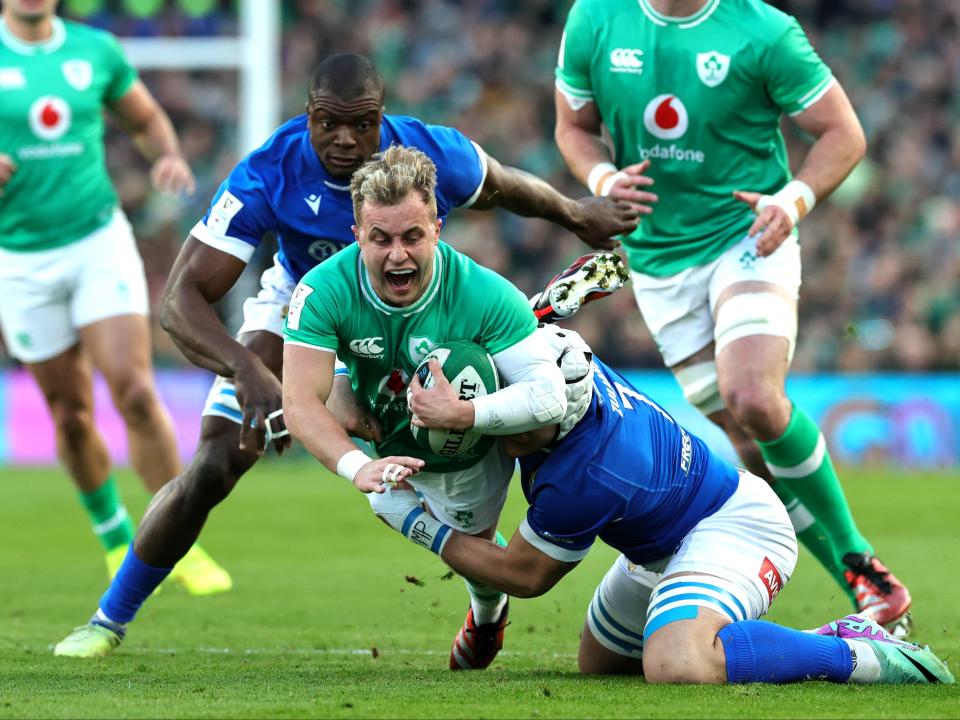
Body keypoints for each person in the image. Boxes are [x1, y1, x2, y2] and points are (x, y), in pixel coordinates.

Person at [52, 53, 637, 658]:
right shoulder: (267, 172)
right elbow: (180, 301)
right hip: (310, 311)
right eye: (329, 123)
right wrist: (248, 369)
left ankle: (489, 601)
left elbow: (504, 185)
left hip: (420, 307)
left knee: (503, 441)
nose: (346, 139)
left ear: (382, 118)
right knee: (217, 460)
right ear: (307, 116)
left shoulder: (430, 154)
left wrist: (574, 213)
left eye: (362, 124)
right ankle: (107, 619)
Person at [549, 0, 911, 633]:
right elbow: (572, 126)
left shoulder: (762, 29)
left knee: (755, 398)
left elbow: (842, 132)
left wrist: (793, 200)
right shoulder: (596, 18)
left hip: (749, 236)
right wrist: (602, 177)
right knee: (747, 443)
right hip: (658, 260)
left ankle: (859, 555)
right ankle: (865, 590)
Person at [369, 324, 955, 685]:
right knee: (601, 665)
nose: (507, 437)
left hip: (736, 526)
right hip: (662, 540)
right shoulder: (562, 367)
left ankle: (861, 656)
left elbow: (523, 575)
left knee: (679, 663)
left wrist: (420, 526)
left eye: (520, 428)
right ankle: (829, 630)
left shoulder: (588, 472)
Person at [283, 144, 577, 670]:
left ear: (438, 228)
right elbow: (300, 402)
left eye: (412, 236)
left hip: (466, 455)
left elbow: (550, 396)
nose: (398, 254)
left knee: (476, 554)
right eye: (381, 239)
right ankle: (486, 603)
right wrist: (357, 463)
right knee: (383, 499)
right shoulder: (322, 288)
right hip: (385, 443)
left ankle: (487, 614)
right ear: (356, 236)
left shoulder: (485, 294)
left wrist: (462, 415)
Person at [0, 0, 229, 592]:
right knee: (70, 415)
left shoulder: (94, 50)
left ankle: (177, 540)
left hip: (96, 242)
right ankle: (112, 538)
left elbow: (146, 119)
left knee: (132, 387)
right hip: (20, 260)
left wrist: (169, 156)